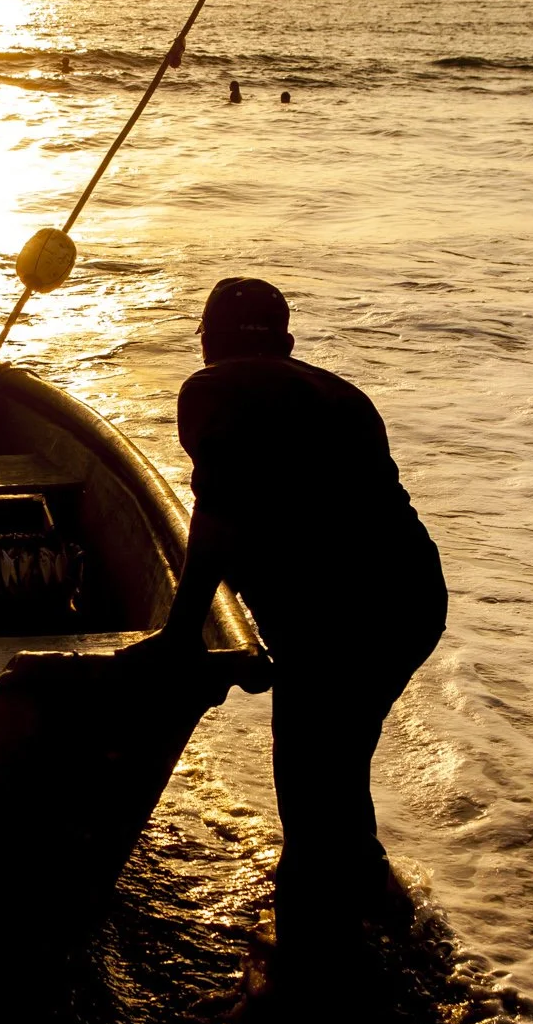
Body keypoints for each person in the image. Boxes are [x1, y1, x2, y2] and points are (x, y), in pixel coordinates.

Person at [126, 278, 447, 972]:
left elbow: (216, 520)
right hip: (414, 596)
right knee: (339, 759)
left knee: (310, 785)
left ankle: (310, 973)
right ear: (287, 340)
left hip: (335, 616)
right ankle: (379, 901)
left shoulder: (211, 389)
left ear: (207, 340)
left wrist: (183, 634)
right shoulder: (340, 392)